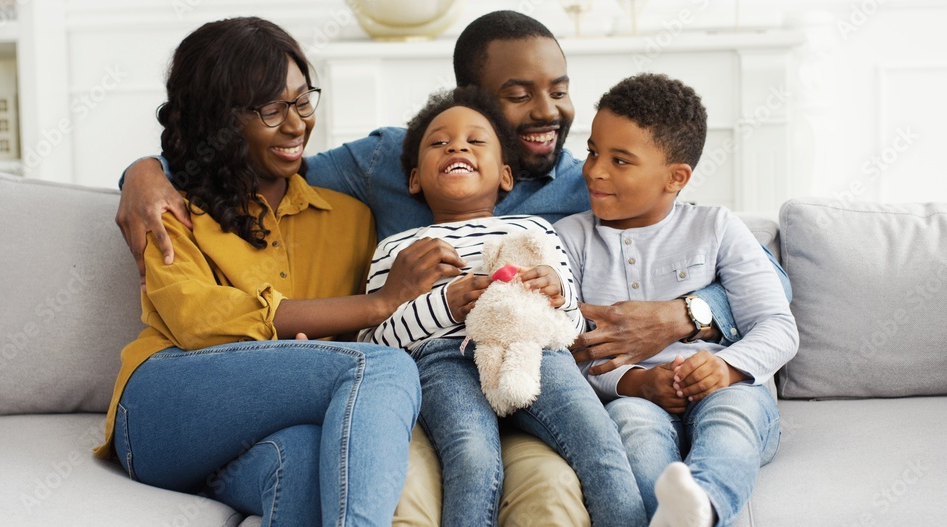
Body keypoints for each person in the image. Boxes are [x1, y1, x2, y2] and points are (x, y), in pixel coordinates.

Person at [113, 10, 790, 525]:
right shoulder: (379, 166)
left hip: (521, 378)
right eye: (519, 93)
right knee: (394, 382)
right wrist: (140, 173)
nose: (548, 111)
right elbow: (231, 163)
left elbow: (747, 268)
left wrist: (688, 313)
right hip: (409, 378)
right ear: (468, 98)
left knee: (304, 465)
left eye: (558, 89)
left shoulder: (595, 183)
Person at [92, 17, 467, 526]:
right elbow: (197, 322)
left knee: (310, 464)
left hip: (267, 431)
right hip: (164, 408)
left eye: (302, 101)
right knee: (379, 369)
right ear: (218, 119)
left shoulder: (351, 219)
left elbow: (353, 342)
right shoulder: (171, 209)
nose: (295, 125)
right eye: (271, 110)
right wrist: (380, 302)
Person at [360, 86, 647, 527]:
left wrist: (557, 293)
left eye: (476, 141)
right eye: (439, 142)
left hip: (537, 350)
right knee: (472, 456)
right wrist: (444, 307)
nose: (457, 145)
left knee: (599, 441)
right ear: (415, 178)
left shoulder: (534, 230)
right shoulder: (397, 248)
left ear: (506, 176)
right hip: (443, 359)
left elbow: (571, 327)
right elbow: (375, 339)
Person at [554, 73, 798, 527]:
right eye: (592, 151)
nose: (594, 170)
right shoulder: (571, 240)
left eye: (620, 160)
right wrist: (638, 384)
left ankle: (700, 511)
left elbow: (778, 326)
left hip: (728, 388)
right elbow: (572, 354)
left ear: (676, 177)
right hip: (634, 397)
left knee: (733, 417)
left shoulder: (716, 227)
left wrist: (725, 368)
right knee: (632, 426)